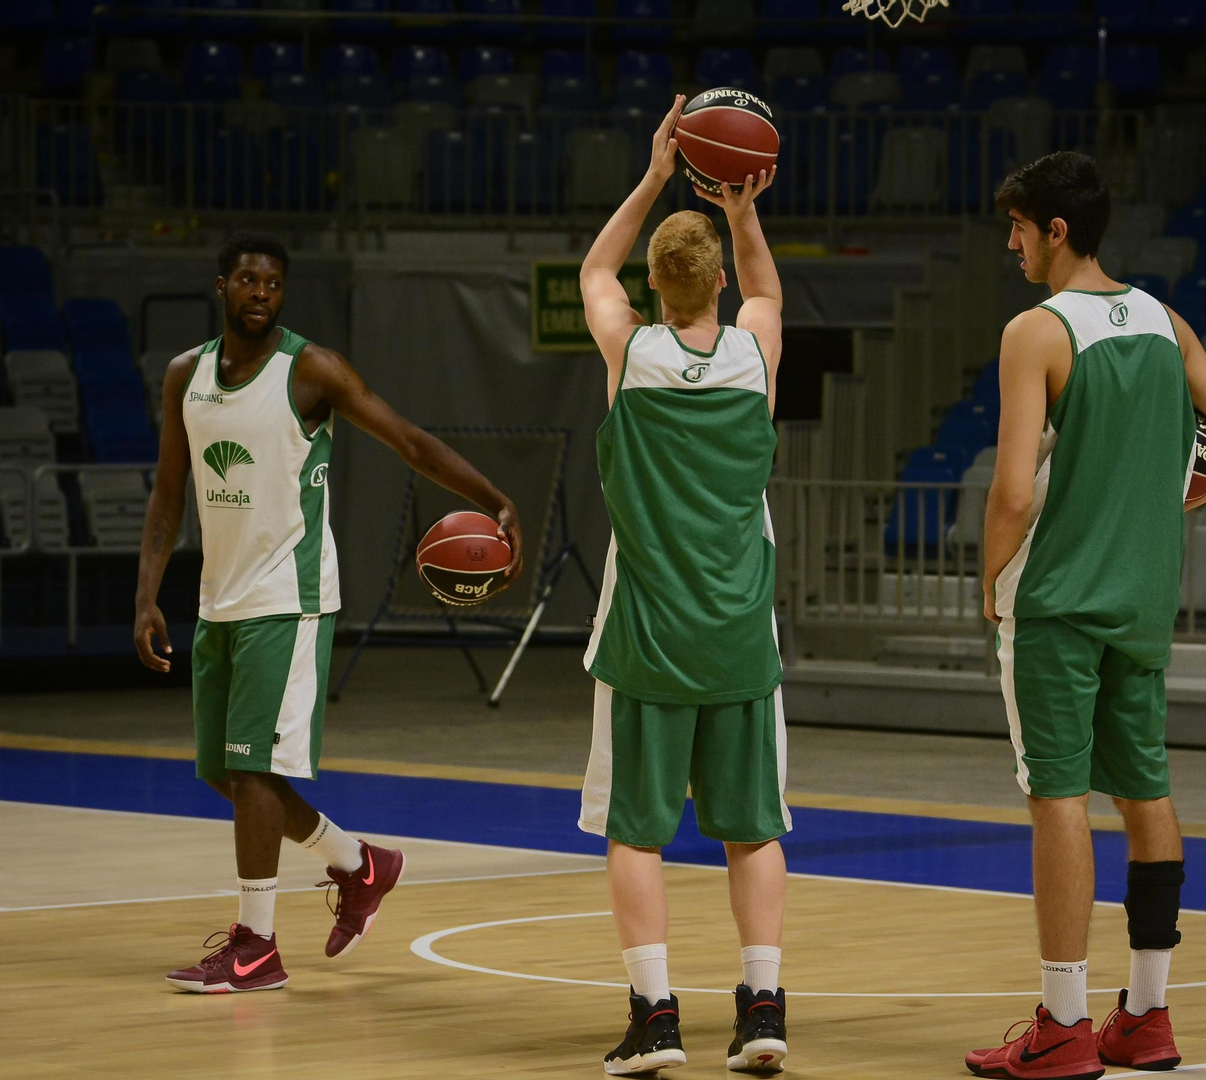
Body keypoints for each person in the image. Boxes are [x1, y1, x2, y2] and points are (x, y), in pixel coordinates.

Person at [134, 233, 523, 993]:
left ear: (282, 294)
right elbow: (167, 495)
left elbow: (408, 441)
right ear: (223, 286)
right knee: (223, 772)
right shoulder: (186, 375)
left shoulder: (311, 370)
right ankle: (360, 865)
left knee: (251, 772)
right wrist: (148, 592)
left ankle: (256, 946)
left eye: (272, 284)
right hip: (221, 600)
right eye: (247, 280)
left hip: (291, 598)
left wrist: (494, 499)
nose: (260, 294)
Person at [965, 152, 1206, 1078]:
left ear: (1055, 231)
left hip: (1058, 601)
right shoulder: (1163, 320)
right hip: (1139, 602)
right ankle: (1146, 1015)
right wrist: (1162, 505)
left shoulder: (1037, 331)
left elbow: (1014, 493)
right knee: (1146, 794)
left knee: (1056, 798)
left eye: (1017, 226)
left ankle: (1062, 1025)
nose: (1010, 241)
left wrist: (987, 579)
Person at [576, 96, 791, 1075]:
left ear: (655, 284)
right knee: (752, 831)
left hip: (651, 634)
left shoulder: (632, 352)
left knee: (636, 832)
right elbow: (770, 299)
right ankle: (760, 1009)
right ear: (714, 283)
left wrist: (657, 171)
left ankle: (657, 1017)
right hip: (740, 631)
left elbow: (591, 271)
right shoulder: (752, 354)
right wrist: (742, 210)